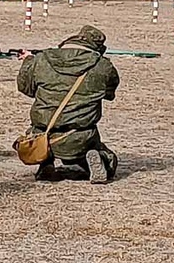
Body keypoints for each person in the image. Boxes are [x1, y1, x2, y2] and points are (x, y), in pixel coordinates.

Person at [16, 25, 120, 183]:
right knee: (99, 154)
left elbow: (25, 88)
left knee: (42, 130)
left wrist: (28, 61)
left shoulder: (43, 59)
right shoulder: (103, 66)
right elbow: (109, 94)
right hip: (80, 135)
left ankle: (46, 164)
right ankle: (98, 157)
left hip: (43, 136)